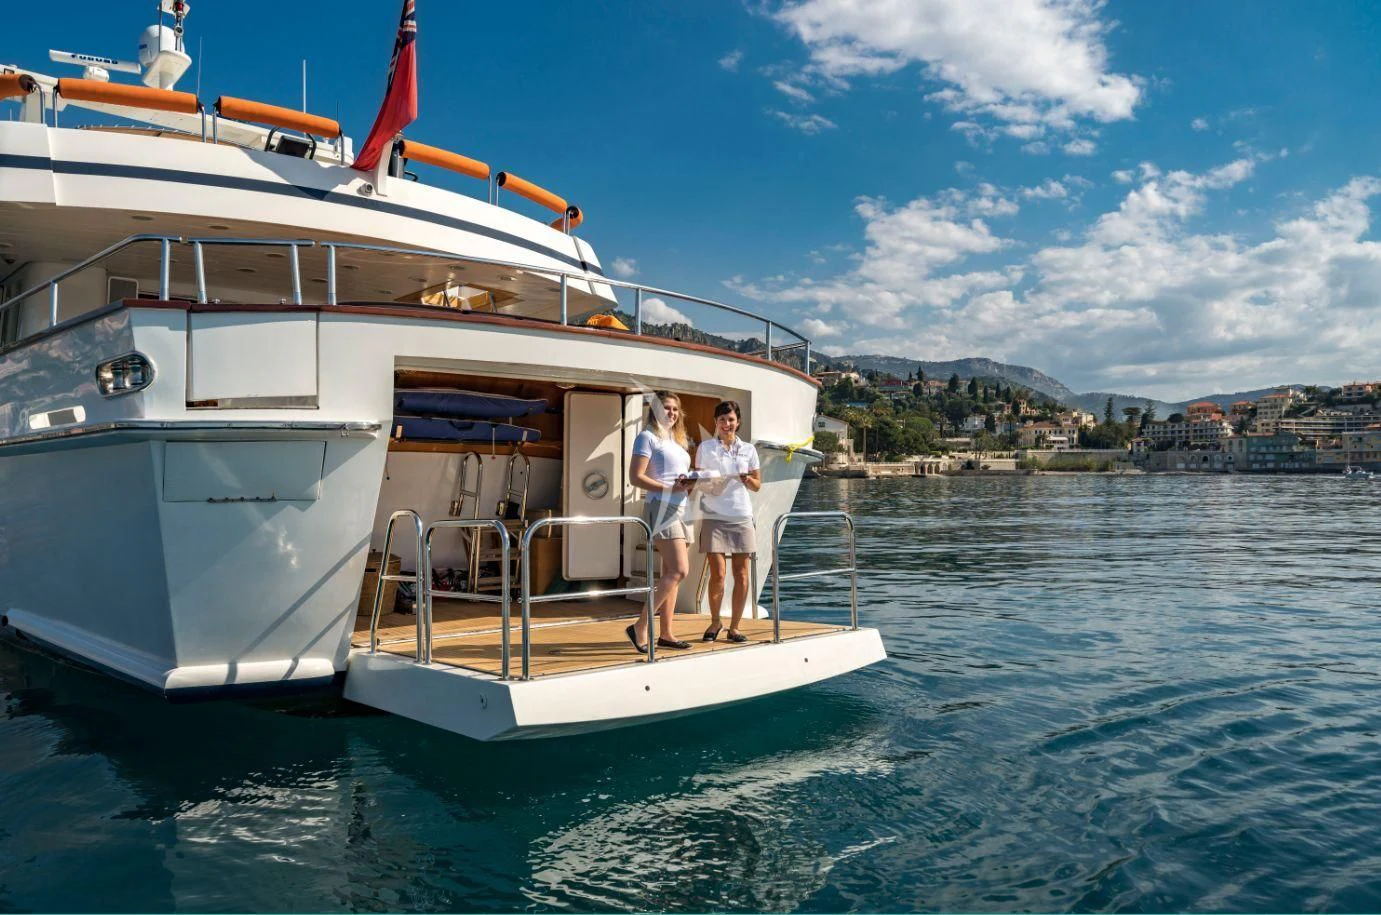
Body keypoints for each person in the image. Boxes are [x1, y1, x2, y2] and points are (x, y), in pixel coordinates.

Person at [626, 391, 695, 653]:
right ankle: (641, 627)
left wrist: (691, 482)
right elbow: (636, 477)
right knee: (679, 571)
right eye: (666, 408)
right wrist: (669, 489)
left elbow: (676, 477)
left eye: (675, 409)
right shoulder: (647, 437)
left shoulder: (678, 441)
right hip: (662, 507)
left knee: (671, 575)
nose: (672, 413)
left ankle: (666, 633)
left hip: (681, 507)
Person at [694, 400, 761, 643]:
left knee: (742, 575)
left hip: (741, 516)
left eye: (731, 419)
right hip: (714, 516)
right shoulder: (705, 448)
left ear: (738, 422)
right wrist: (714, 483)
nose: (726, 424)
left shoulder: (749, 450)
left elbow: (757, 485)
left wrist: (745, 479)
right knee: (718, 574)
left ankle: (734, 627)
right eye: (722, 419)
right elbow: (700, 482)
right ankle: (714, 622)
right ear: (716, 422)